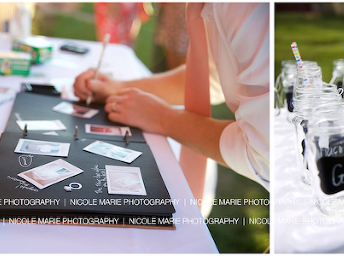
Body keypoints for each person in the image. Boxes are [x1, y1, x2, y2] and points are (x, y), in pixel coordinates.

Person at [73, 3, 269, 201]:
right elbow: (212, 76)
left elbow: (263, 152)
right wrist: (118, 87)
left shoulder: (250, 10)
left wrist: (162, 118)